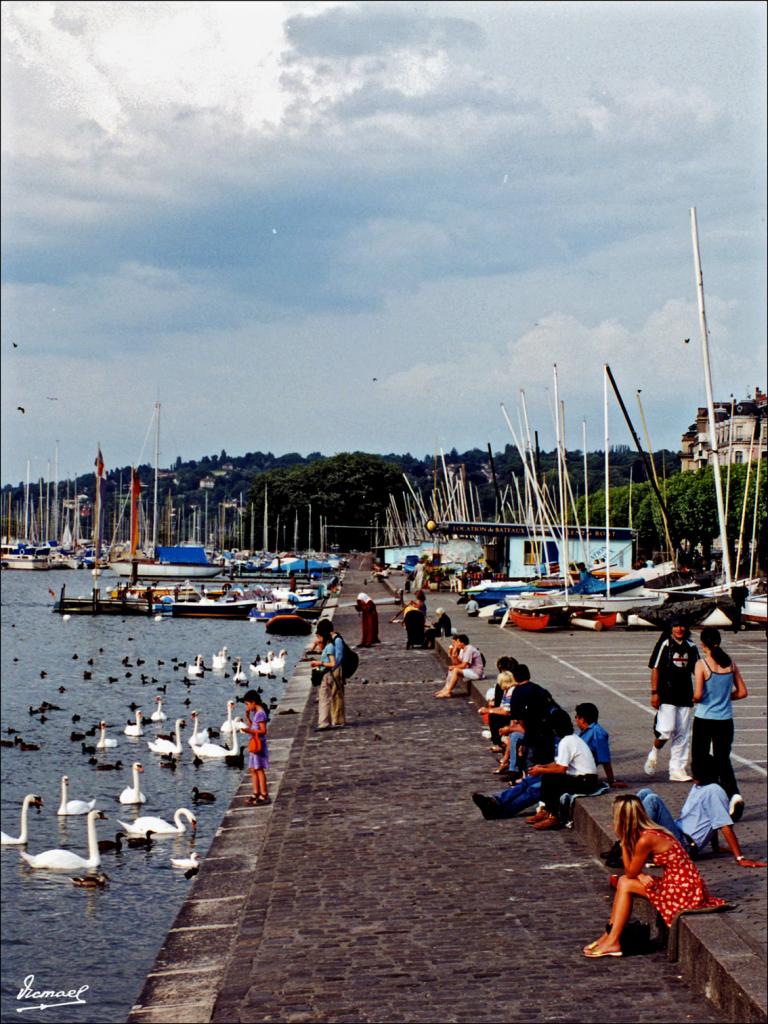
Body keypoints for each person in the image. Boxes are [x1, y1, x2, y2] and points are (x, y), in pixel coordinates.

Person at [582, 794, 727, 958]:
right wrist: (640, 874)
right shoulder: (651, 832)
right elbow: (633, 872)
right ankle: (608, 936)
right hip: (683, 885)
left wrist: (623, 841)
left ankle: (613, 940)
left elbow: (630, 872)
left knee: (625, 883)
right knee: (624, 881)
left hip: (684, 892)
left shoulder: (646, 840)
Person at [637, 756, 766, 868]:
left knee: (653, 800)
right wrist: (715, 847)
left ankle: (630, 843)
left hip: (684, 845)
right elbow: (713, 818)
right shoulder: (699, 786)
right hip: (677, 832)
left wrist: (740, 858)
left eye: (696, 774)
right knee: (645, 792)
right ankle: (630, 838)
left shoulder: (714, 791)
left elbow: (724, 826)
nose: (693, 777)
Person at [691, 626, 748, 819]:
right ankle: (734, 795)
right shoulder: (730, 663)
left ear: (702, 644)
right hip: (725, 720)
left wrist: (693, 699)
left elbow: (698, 695)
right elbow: (742, 692)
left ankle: (708, 800)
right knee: (723, 760)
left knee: (700, 760)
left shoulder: (701, 664)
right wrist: (724, 697)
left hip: (704, 719)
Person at [644, 617, 699, 782]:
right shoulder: (665, 645)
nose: (679, 629)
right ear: (670, 628)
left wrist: (701, 690)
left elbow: (698, 670)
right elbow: (655, 668)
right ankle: (654, 753)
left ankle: (677, 769)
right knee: (666, 731)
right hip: (667, 693)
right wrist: (655, 692)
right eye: (676, 626)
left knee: (682, 733)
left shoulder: (691, 647)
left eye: (682, 625)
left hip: (686, 694)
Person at [525, 724, 600, 830]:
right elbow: (559, 762)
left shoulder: (566, 742)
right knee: (548, 776)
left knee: (553, 780)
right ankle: (546, 810)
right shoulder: (572, 738)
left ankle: (554, 816)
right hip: (584, 778)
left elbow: (561, 769)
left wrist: (540, 770)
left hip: (586, 781)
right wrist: (542, 767)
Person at [574, 703, 626, 789]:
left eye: (576, 717)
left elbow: (605, 759)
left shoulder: (598, 733)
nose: (575, 720)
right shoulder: (581, 731)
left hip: (580, 773)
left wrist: (611, 781)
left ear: (582, 719)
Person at [310, 619, 346, 730]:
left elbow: (336, 659)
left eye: (319, 636)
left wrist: (321, 664)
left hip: (332, 672)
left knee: (331, 696)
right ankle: (333, 720)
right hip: (330, 672)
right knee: (330, 696)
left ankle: (333, 721)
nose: (318, 639)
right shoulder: (329, 644)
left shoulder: (336, 642)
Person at [242, 690, 270, 805]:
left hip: (259, 745)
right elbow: (254, 726)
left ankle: (264, 794)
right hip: (254, 744)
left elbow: (263, 730)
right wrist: (248, 718)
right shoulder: (256, 714)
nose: (247, 707)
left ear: (253, 702)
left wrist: (249, 731)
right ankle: (256, 792)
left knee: (259, 769)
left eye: (247, 704)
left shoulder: (260, 714)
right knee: (253, 769)